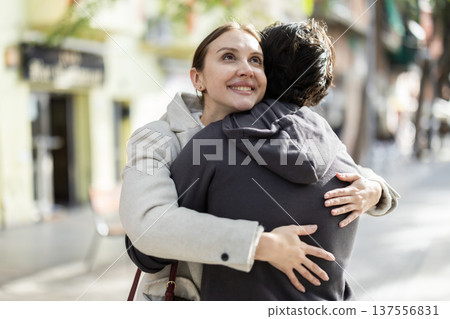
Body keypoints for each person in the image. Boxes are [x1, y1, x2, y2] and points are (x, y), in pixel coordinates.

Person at [120, 21, 399, 301]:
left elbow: (334, 163)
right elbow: (150, 226)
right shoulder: (154, 139)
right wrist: (260, 243)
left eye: (256, 60)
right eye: (229, 57)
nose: (246, 69)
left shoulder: (273, 132)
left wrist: (374, 188)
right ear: (197, 78)